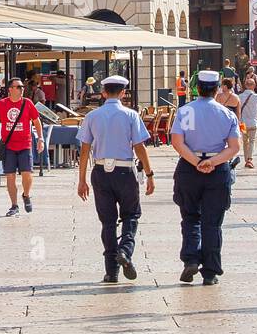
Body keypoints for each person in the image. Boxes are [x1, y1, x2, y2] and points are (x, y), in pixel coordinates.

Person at [77, 75, 155, 284]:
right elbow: (140, 147)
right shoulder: (131, 115)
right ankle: (126, 250)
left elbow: (84, 150)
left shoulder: (92, 116)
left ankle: (111, 271)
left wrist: (81, 179)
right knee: (131, 215)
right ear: (123, 93)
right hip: (124, 170)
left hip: (101, 171)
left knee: (108, 222)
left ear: (103, 93)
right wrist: (149, 174)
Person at [170, 70, 240, 286]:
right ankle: (210, 271)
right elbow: (234, 147)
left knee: (190, 216)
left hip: (189, 169)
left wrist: (195, 162)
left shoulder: (185, 111)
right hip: (217, 170)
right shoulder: (226, 114)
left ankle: (191, 258)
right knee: (213, 223)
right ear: (217, 89)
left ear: (197, 88)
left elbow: (177, 142)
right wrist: (213, 162)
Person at [0, 78, 45, 218]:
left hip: (25, 144)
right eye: (18, 86)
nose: (22, 88)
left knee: (27, 173)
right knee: (10, 176)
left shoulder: (27, 103)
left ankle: (26, 195)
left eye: (22, 86)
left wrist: (40, 138)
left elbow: (36, 121)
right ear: (10, 89)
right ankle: (14, 205)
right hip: (8, 146)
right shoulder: (2, 104)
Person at [237, 73, 257, 168]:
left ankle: (246, 160)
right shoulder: (256, 96)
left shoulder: (240, 96)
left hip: (243, 124)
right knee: (252, 141)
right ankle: (250, 159)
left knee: (245, 141)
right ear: (254, 86)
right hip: (253, 122)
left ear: (245, 86)